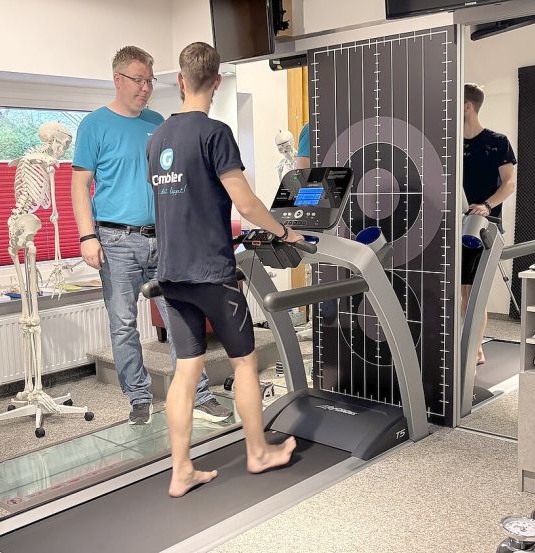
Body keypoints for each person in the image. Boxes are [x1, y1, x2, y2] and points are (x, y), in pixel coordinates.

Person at [147, 42, 303, 498]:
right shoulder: (215, 133)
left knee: (186, 371)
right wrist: (284, 232)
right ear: (215, 82)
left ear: (180, 80)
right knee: (245, 363)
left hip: (172, 274)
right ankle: (257, 452)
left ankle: (180, 471)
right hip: (212, 272)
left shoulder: (156, 140)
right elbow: (247, 202)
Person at [71, 46, 231, 425]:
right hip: (116, 240)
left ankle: (197, 393)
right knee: (123, 323)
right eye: (138, 80)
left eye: (149, 80)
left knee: (183, 316)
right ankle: (139, 397)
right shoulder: (94, 125)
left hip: (164, 238)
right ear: (118, 79)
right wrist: (86, 237)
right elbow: (80, 186)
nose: (145, 88)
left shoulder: (159, 122)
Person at [461, 83, 517, 365]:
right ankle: (461, 342)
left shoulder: (497, 141)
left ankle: (475, 348)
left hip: (483, 226)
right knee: (458, 289)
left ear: (467, 106)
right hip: (454, 224)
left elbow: (509, 183)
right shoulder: (451, 145)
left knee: (472, 291)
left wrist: (487, 205)